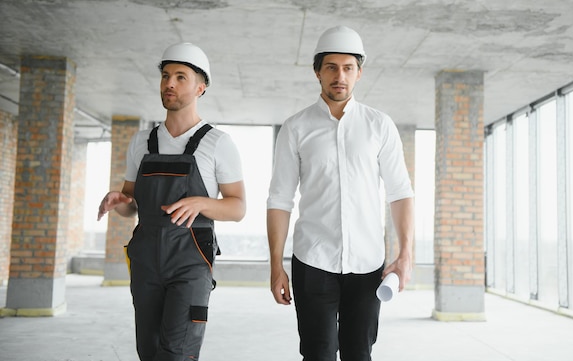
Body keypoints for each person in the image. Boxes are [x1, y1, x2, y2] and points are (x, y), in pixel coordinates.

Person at [266, 25, 415, 361]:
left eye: (348, 68)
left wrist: (405, 254)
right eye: (331, 67)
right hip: (313, 261)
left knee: (359, 353)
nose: (340, 76)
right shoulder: (296, 128)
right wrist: (276, 265)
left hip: (367, 264)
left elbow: (400, 193)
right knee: (317, 354)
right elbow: (279, 200)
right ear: (317, 72)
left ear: (359, 73)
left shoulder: (379, 125)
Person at [97, 42, 246, 361]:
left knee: (178, 352)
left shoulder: (217, 144)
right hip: (146, 260)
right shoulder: (141, 142)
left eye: (181, 77)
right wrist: (118, 201)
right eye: (166, 76)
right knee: (148, 351)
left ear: (200, 87)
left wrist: (200, 203)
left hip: (190, 262)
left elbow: (237, 207)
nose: (170, 84)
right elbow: (131, 206)